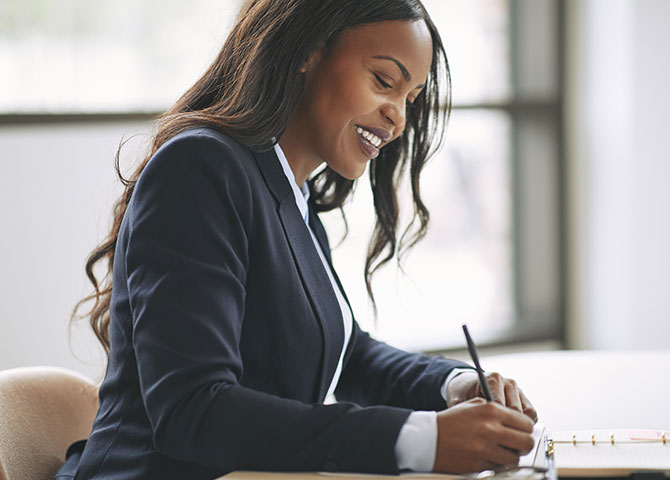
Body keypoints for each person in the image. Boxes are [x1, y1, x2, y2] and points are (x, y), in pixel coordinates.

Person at [55, 1, 538, 479]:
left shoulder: (293, 195)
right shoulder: (201, 169)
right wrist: (421, 440)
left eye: (410, 98)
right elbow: (193, 409)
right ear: (307, 51)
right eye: (384, 81)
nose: (398, 119)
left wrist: (452, 385)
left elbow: (346, 355)